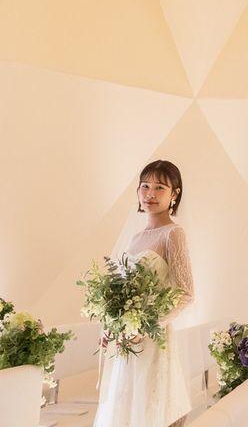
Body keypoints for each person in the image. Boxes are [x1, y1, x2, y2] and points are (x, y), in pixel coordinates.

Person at [95, 160, 196, 427]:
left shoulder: (173, 234)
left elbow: (186, 293)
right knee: (124, 407)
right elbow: (122, 290)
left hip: (152, 337)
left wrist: (146, 325)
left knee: (149, 410)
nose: (150, 194)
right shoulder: (136, 237)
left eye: (160, 187)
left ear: (174, 194)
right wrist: (112, 325)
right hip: (126, 340)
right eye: (145, 186)